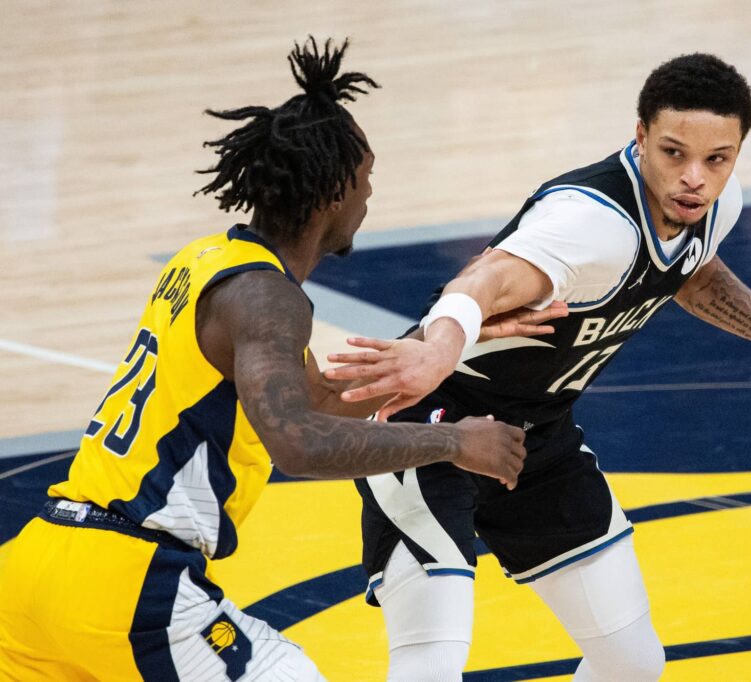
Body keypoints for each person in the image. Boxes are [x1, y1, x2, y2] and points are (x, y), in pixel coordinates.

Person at [327, 53, 751, 681]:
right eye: (674, 153)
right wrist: (438, 351)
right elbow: (485, 279)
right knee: (431, 664)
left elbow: (692, 275)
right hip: (432, 422)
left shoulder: (712, 206)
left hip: (536, 438)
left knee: (632, 664)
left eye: (717, 159)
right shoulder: (590, 222)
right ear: (640, 136)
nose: (694, 178)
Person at [0, 37, 555, 681]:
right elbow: (299, 443)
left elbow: (320, 403)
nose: (369, 197)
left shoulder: (207, 261)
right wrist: (454, 443)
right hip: (128, 582)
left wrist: (450, 338)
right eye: (367, 179)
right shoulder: (269, 299)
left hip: (38, 566)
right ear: (334, 191)